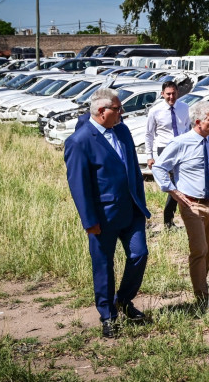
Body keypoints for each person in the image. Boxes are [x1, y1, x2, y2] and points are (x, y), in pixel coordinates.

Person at [64, 89, 150, 338]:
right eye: (118, 109)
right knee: (103, 265)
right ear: (102, 112)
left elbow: (133, 167)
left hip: (132, 210)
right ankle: (107, 315)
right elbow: (79, 186)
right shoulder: (80, 141)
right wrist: (89, 221)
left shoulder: (122, 130)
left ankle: (123, 300)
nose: (122, 113)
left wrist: (141, 203)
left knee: (139, 254)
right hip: (103, 216)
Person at [152, 101, 209, 301]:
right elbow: (159, 167)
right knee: (199, 248)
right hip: (192, 205)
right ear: (198, 121)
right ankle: (201, 295)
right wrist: (173, 191)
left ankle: (203, 284)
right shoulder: (180, 143)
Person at [145, 81, 190, 228]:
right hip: (165, 149)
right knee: (173, 182)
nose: (171, 97)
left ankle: (175, 217)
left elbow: (188, 130)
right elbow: (149, 135)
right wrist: (150, 156)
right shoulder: (155, 111)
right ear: (162, 94)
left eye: (173, 93)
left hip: (182, 148)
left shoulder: (185, 108)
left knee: (181, 181)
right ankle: (168, 219)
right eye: (168, 94)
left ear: (178, 92)